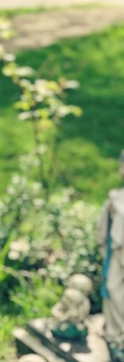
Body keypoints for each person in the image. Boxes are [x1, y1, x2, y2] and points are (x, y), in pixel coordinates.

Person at [98, 150, 124, 360]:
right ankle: (116, 335)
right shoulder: (117, 196)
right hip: (117, 252)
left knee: (115, 288)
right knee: (112, 287)